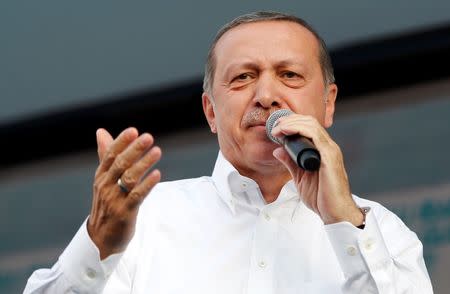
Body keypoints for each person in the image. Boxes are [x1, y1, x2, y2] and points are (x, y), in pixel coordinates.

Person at [24, 11, 433, 294]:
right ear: (210, 112)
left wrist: (344, 219)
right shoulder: (147, 217)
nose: (267, 95)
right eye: (243, 77)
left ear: (328, 104)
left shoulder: (382, 233)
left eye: (289, 75)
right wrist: (99, 243)